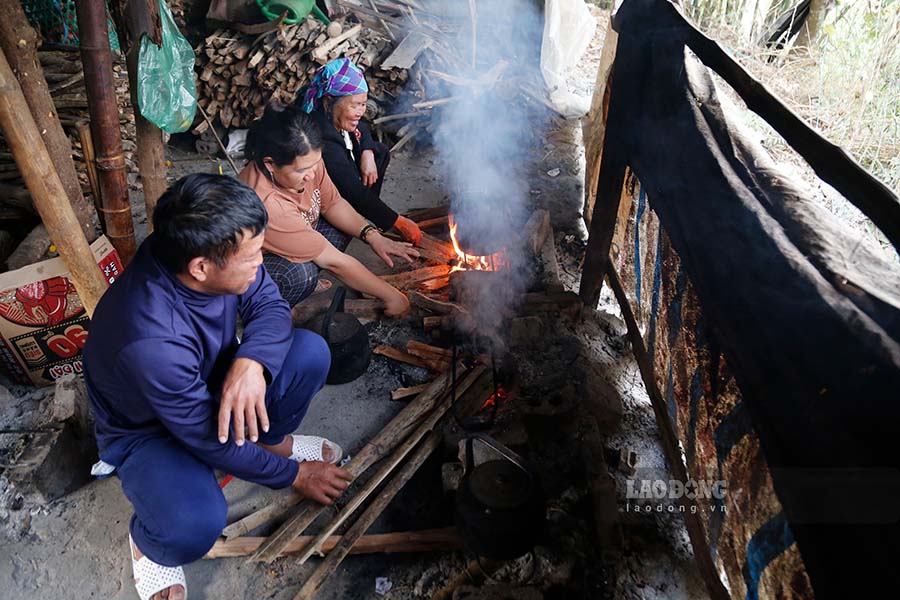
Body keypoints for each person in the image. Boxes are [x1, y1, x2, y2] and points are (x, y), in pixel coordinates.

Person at [83, 174, 353, 600]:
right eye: (252, 257)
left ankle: (270, 441)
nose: (260, 264)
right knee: (194, 526)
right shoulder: (152, 338)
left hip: (211, 379)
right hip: (149, 431)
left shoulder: (202, 253)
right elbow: (208, 437)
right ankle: (149, 545)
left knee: (309, 354)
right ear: (201, 268)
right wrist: (295, 476)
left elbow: (270, 305)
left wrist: (251, 363)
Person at [240, 103, 418, 313]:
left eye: (315, 163)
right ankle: (267, 310)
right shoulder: (267, 203)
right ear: (270, 164)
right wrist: (392, 296)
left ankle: (305, 262)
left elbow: (333, 203)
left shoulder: (309, 159)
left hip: (290, 233)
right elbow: (333, 262)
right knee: (300, 274)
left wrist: (372, 235)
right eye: (303, 170)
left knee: (341, 227)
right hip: (245, 274)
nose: (312, 174)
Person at [299, 57, 422, 244]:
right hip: (316, 200)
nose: (360, 111)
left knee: (379, 151)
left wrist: (367, 153)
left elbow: (362, 127)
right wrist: (398, 222)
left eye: (363, 104)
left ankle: (364, 211)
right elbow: (352, 189)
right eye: (354, 105)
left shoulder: (330, 111)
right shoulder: (321, 136)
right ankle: (357, 217)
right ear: (329, 100)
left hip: (342, 174)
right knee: (356, 194)